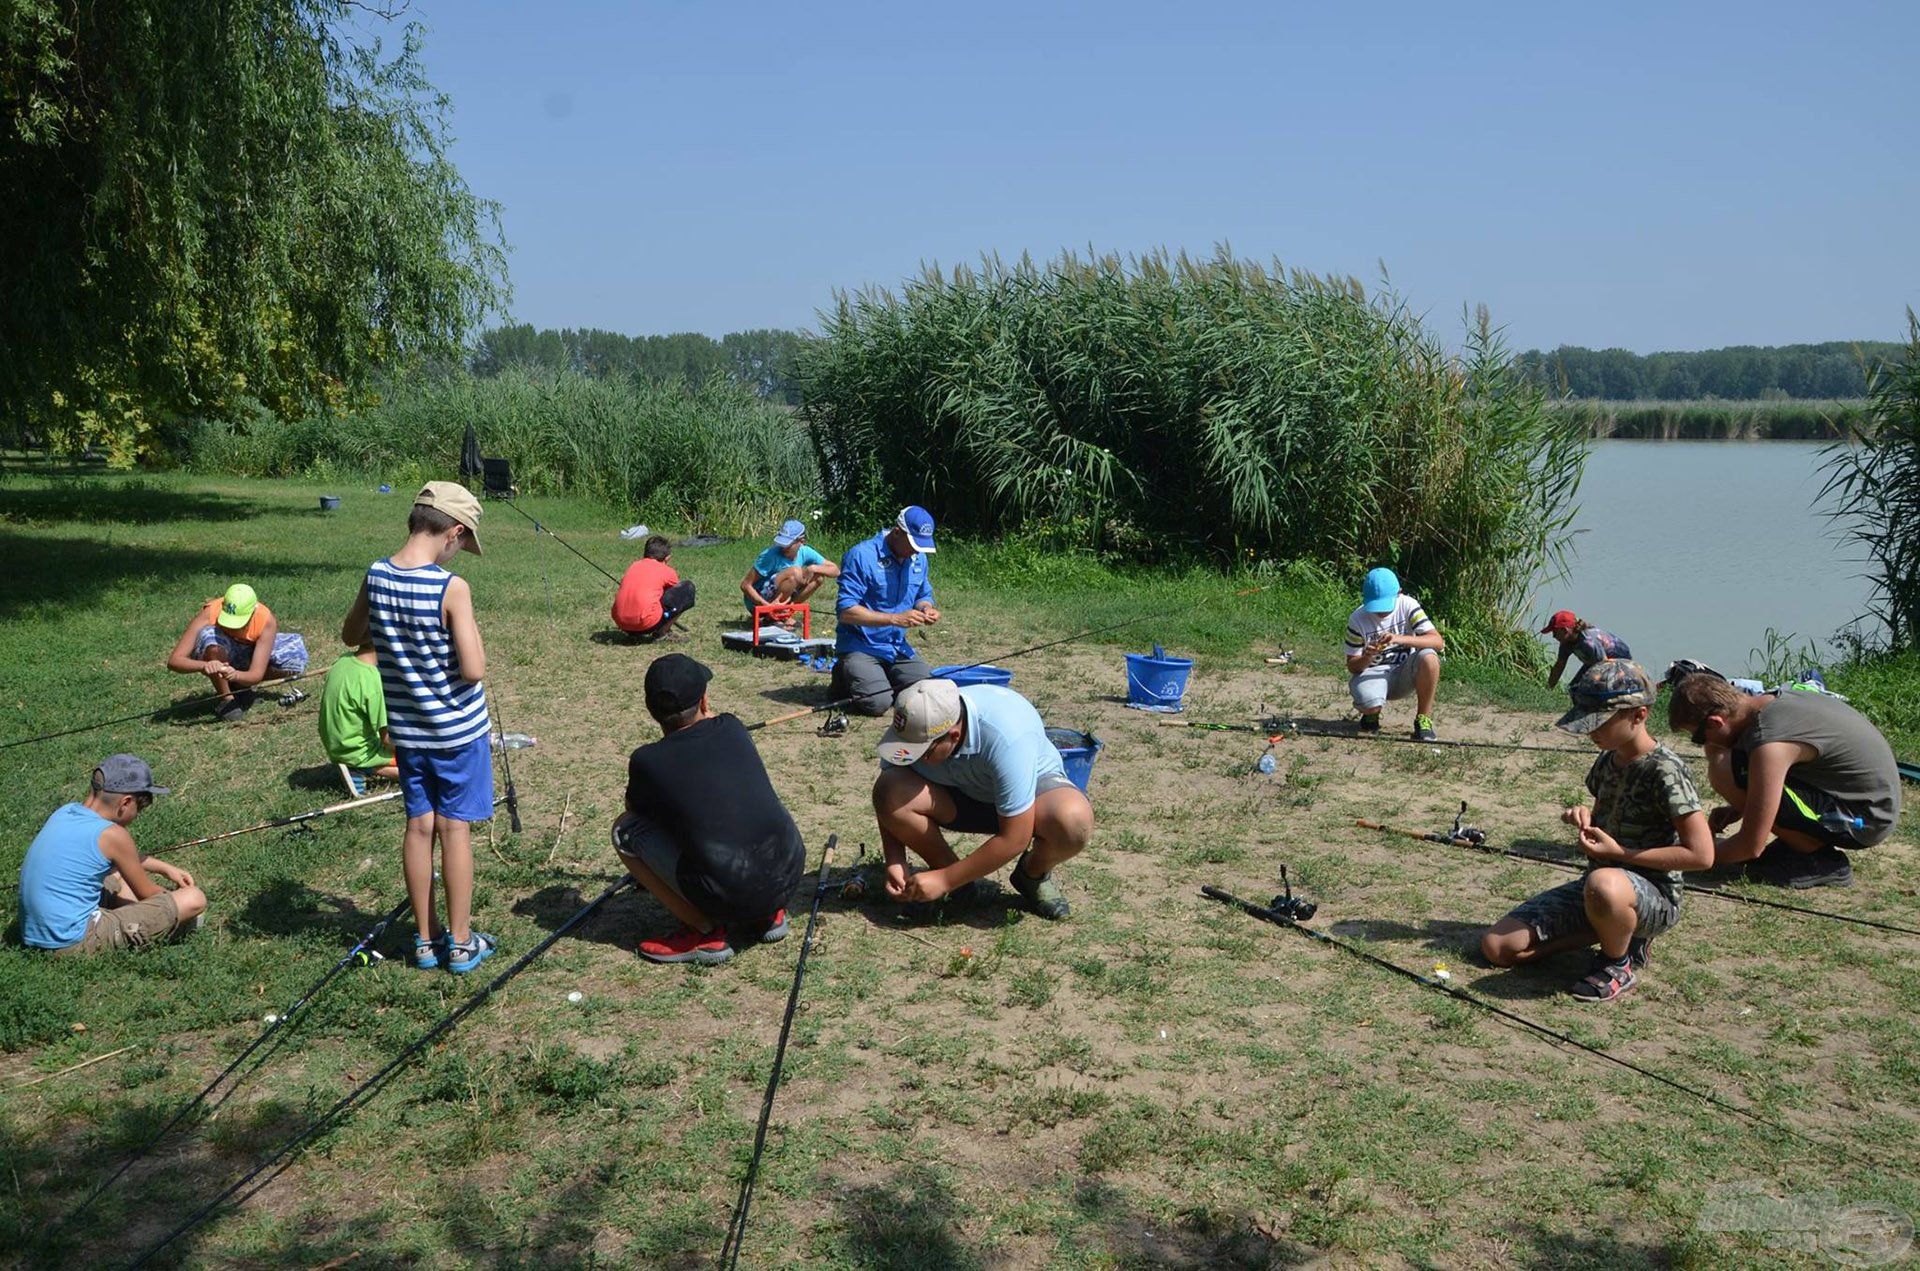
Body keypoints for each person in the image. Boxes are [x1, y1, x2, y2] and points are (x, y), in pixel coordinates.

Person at [1481, 662, 1712, 1002]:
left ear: (1639, 715)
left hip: (1652, 895)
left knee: (1604, 884)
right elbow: (1604, 815)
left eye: (1601, 722)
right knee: (1498, 948)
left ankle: (1617, 962)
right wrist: (1586, 818)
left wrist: (1619, 855)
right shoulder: (1608, 760)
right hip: (1599, 887)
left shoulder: (1665, 771)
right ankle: (1613, 930)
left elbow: (1702, 855)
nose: (1592, 732)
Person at [342, 482, 497, 973]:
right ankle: (462, 941)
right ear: (453, 533)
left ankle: (426, 942)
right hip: (456, 732)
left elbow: (350, 634)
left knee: (418, 826)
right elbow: (473, 669)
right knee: (454, 830)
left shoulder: (376, 574)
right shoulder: (452, 588)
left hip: (409, 734)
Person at [612, 654, 806, 965]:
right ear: (705, 700)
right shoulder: (732, 726)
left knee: (624, 830)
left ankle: (702, 931)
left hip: (729, 890)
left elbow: (636, 811)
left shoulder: (647, 760)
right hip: (789, 873)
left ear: (651, 711)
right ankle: (768, 914)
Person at [872, 678, 1094, 920]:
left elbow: (1015, 838)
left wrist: (944, 880)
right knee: (891, 788)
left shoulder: (1008, 735)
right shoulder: (915, 724)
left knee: (1073, 821)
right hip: (958, 795)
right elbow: (886, 797)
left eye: (921, 753)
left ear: (953, 736)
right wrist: (894, 859)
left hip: (1028, 801)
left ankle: (1031, 875)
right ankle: (959, 884)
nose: (911, 757)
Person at [1666, 672, 1901, 889]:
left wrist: (1691, 857)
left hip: (1866, 820)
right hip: (1862, 801)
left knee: (1722, 766)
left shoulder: (1770, 742)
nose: (1705, 743)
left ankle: (1819, 860)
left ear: (1716, 722)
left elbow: (1750, 846)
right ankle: (1799, 844)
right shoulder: (1771, 702)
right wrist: (1741, 808)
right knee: (1731, 764)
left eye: (1698, 737)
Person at [18, 755, 208, 955]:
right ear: (125, 803)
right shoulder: (113, 834)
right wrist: (174, 903)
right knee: (193, 899)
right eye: (139, 808)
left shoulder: (65, 812)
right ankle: (148, 925)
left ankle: (128, 914)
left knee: (116, 874)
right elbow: (150, 894)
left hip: (36, 933)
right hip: (72, 941)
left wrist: (165, 868)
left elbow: (122, 859)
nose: (137, 816)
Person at [835, 506, 939, 716]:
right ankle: (844, 675)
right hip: (860, 646)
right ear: (897, 532)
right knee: (878, 704)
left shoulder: (919, 559)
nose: (916, 551)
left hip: (897, 647)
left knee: (931, 691)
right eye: (913, 544)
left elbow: (922, 595)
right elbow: (846, 611)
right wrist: (894, 619)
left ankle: (880, 677)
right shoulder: (861, 556)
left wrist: (927, 608)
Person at [165, 583, 310, 721]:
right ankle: (226, 699)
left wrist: (236, 675)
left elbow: (256, 675)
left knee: (295, 661)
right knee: (211, 638)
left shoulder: (266, 620)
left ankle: (239, 687)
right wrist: (205, 665)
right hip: (218, 653)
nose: (233, 627)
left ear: (253, 611)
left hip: (247, 653)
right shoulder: (210, 612)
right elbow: (175, 661)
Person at [1343, 566, 1444, 742]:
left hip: (1404, 672)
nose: (1381, 612)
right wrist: (1367, 656)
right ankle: (1371, 715)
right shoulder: (1357, 619)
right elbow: (1352, 666)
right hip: (1372, 674)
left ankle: (1424, 719)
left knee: (1429, 656)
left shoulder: (1408, 605)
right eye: (1376, 606)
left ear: (1399, 593)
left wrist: (1399, 639)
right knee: (1369, 703)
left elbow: (1437, 642)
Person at [319, 642, 397, 795]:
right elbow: (388, 739)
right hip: (355, 750)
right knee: (421, 766)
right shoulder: (372, 679)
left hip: (335, 744)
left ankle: (355, 765)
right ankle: (362, 767)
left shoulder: (343, 660)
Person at [741, 518, 840, 616]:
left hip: (778, 596)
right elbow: (745, 585)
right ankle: (774, 614)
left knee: (818, 577)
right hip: (757, 601)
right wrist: (767, 607)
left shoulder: (805, 552)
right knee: (795, 572)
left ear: (801, 541)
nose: (784, 548)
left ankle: (786, 613)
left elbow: (835, 570)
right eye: (781, 543)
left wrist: (813, 568)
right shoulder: (769, 555)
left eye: (788, 544)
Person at [612, 535, 696, 641]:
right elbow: (675, 593)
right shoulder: (667, 570)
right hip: (646, 624)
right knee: (687, 588)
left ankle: (634, 631)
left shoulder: (634, 565)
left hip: (621, 623)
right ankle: (662, 633)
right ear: (667, 558)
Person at [1542, 610, 1633, 689]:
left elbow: (1604, 665)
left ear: (1565, 631)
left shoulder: (1588, 642)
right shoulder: (1565, 644)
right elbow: (1559, 666)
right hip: (1595, 662)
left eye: (1555, 632)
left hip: (1617, 660)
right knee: (1573, 688)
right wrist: (1548, 689)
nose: (1553, 636)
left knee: (1592, 688)